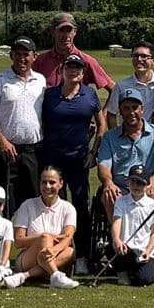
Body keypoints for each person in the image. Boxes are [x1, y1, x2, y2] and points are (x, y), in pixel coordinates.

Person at [94, 87, 154, 271]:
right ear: (120, 111)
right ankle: (118, 242)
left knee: (150, 197)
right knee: (109, 194)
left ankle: (144, 245)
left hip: (148, 184)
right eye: (126, 108)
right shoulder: (110, 137)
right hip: (121, 186)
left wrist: (152, 182)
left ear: (142, 109)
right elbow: (103, 166)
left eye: (135, 107)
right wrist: (108, 183)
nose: (131, 112)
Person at [41, 53, 105, 263]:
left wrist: (93, 152)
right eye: (69, 67)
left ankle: (82, 255)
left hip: (79, 160)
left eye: (77, 68)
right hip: (53, 160)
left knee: (79, 207)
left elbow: (101, 124)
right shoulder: (50, 95)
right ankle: (58, 252)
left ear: (83, 72)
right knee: (54, 206)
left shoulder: (89, 94)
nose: (73, 71)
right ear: (61, 71)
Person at [0, 37, 46, 207]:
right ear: (11, 55)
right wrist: (1, 140)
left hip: (33, 151)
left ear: (34, 56)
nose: (21, 58)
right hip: (6, 151)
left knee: (34, 203)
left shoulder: (41, 81)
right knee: (5, 203)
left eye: (26, 54)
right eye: (17, 54)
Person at [1, 166, 82, 289]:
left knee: (70, 252)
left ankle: (25, 276)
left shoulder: (68, 208)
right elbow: (18, 241)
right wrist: (45, 238)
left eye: (52, 182)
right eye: (44, 182)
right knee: (45, 237)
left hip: (54, 254)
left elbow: (67, 238)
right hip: (28, 258)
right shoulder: (27, 205)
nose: (47, 186)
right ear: (39, 184)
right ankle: (55, 274)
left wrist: (54, 250)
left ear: (60, 184)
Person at [107, 164, 154, 286]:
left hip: (143, 250)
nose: (136, 186)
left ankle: (133, 271)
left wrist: (148, 250)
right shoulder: (121, 201)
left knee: (145, 280)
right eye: (133, 182)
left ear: (147, 185)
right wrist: (117, 239)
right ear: (128, 183)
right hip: (125, 248)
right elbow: (116, 222)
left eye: (140, 183)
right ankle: (122, 272)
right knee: (111, 248)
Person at [32, 13, 113, 92]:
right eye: (61, 30)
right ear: (53, 32)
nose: (66, 35)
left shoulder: (87, 61)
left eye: (69, 30)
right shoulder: (40, 61)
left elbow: (114, 89)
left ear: (74, 32)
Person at [110, 41, 154, 129]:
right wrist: (116, 136)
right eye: (136, 56)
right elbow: (111, 114)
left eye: (144, 56)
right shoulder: (121, 85)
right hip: (128, 135)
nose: (139, 59)